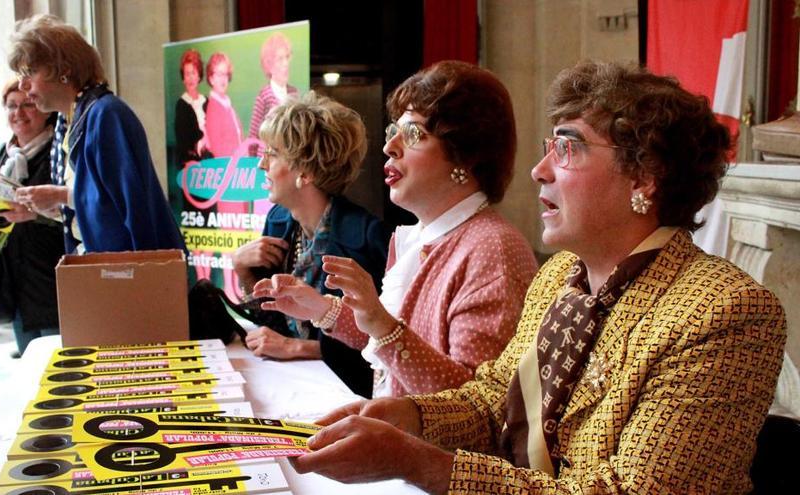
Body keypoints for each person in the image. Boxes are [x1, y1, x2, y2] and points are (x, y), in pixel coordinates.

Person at [289, 61, 787, 494]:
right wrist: (407, 418)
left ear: (644, 176)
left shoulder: (725, 311)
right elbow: (491, 402)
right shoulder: (560, 278)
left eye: (567, 149)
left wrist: (419, 462)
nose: (538, 171)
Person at [255, 61, 537, 398]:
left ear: (466, 155)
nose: (390, 146)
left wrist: (377, 320)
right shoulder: (421, 237)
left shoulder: (493, 250)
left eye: (414, 133)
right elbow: (392, 347)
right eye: (393, 132)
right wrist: (321, 308)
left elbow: (476, 406)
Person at [232, 91, 390, 398]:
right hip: (291, 385)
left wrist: (300, 348)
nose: (261, 164)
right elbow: (272, 324)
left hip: (346, 396)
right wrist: (244, 272)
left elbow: (384, 342)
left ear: (305, 171)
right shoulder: (279, 221)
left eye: (273, 153)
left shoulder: (367, 239)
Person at [7, 14, 184, 254]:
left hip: (127, 272)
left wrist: (62, 196)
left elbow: (130, 205)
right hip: (98, 268)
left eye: (30, 72)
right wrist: (55, 206)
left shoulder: (106, 114)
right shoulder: (66, 120)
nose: (22, 86)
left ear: (63, 70)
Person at [0, 79, 63, 358]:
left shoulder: (60, 153)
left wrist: (35, 215)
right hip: (13, 280)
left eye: (27, 104)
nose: (18, 112)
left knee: (59, 367)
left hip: (52, 278)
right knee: (30, 364)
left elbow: (80, 212)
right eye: (11, 106)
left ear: (45, 109)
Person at [248, 32, 298, 157]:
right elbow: (253, 137)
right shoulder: (264, 96)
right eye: (280, 59)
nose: (286, 63)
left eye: (287, 57)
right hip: (267, 162)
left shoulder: (294, 93)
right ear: (269, 65)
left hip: (288, 161)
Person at [173, 49, 209, 165]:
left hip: (209, 158)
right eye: (187, 74)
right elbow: (182, 141)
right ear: (183, 79)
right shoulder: (182, 105)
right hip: (191, 163)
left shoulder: (206, 101)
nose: (191, 78)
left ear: (199, 76)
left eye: (193, 73)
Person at [204, 52, 242, 158]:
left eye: (226, 74)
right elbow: (218, 150)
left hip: (237, 165)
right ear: (211, 79)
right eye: (219, 74)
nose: (223, 79)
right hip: (228, 168)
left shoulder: (227, 105)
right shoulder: (214, 108)